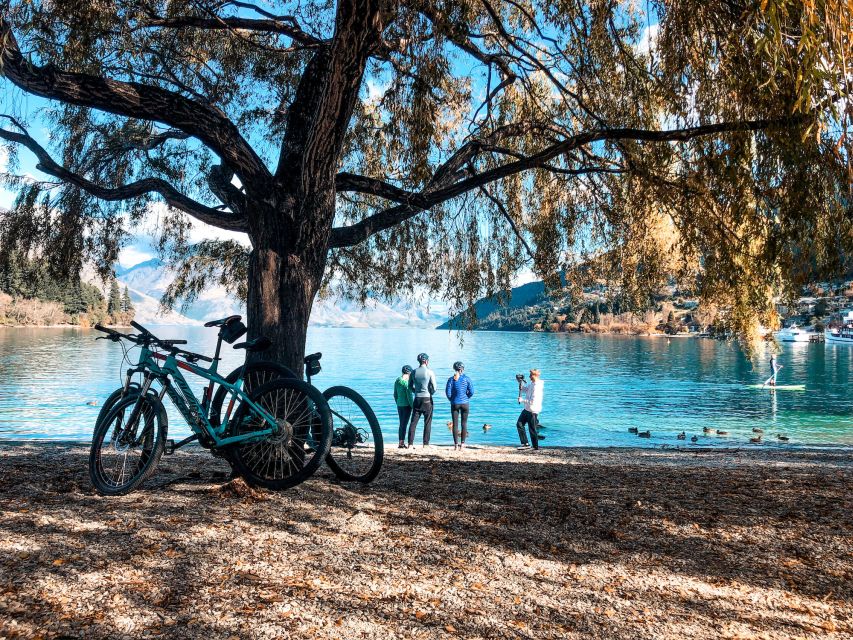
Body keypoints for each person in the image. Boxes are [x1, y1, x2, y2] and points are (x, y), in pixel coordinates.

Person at [408, 353, 436, 448]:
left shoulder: (413, 372)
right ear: (426, 361)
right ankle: (425, 444)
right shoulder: (430, 372)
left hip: (417, 398)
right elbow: (435, 388)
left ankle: (410, 444)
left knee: (413, 422)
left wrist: (415, 391)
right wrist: (430, 393)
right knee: (427, 422)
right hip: (427, 399)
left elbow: (409, 386)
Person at [445, 361, 474, 450]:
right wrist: (466, 398)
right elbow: (471, 392)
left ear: (454, 369)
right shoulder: (467, 379)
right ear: (462, 369)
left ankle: (455, 445)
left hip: (455, 403)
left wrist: (452, 400)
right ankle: (463, 444)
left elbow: (448, 393)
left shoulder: (451, 379)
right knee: (464, 423)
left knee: (455, 424)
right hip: (465, 403)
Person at [516, 369, 544, 451]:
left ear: (535, 375)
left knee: (532, 429)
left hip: (533, 410)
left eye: (530, 375)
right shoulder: (532, 383)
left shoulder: (537, 387)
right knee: (519, 424)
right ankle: (525, 444)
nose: (529, 377)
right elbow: (526, 390)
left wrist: (522, 400)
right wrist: (521, 386)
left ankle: (535, 447)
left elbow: (533, 401)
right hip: (527, 409)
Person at [394, 365, 414, 448]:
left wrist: (398, 402)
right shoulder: (407, 383)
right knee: (404, 424)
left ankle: (400, 442)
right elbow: (409, 396)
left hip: (399, 405)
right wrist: (413, 406)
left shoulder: (397, 380)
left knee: (401, 423)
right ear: (409, 373)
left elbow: (395, 394)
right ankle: (402, 443)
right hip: (407, 406)